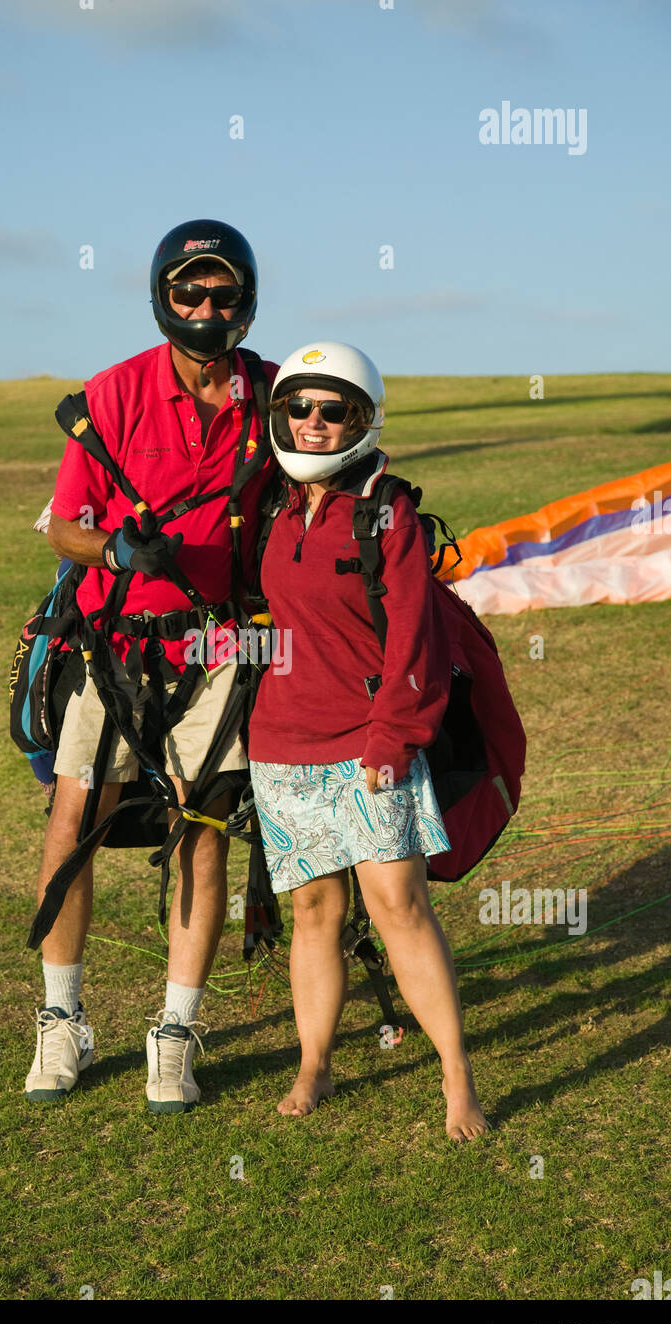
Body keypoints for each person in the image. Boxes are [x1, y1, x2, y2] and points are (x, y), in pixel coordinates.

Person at [24, 219, 278, 1111]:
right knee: (73, 822)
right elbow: (60, 525)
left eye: (223, 293)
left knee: (200, 833)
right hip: (115, 644)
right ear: (162, 296)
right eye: (189, 292)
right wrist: (114, 552)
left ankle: (174, 1034)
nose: (207, 309)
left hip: (220, 649)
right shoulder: (114, 393)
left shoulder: (277, 396)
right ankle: (62, 1021)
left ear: (246, 299)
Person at [247, 342, 489, 1141]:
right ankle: (313, 1063)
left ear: (361, 419)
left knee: (399, 906)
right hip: (281, 747)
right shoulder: (273, 509)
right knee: (313, 912)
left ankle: (457, 1079)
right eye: (299, 408)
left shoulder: (389, 513)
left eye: (333, 410)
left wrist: (393, 740)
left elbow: (413, 644)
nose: (313, 424)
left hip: (371, 746)